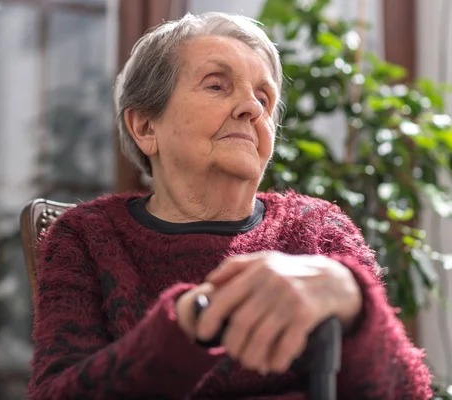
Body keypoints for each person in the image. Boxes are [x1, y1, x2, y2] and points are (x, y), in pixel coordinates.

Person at [27, 12, 432, 400]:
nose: (252, 108)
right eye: (217, 85)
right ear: (146, 127)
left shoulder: (317, 230)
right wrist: (185, 326)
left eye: (264, 97)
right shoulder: (89, 236)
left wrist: (353, 300)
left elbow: (409, 392)